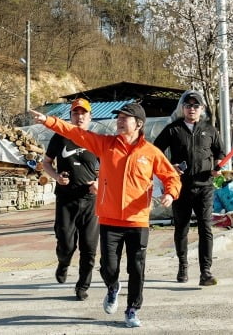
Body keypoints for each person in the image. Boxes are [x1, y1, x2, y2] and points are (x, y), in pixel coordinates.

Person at [31, 103, 181, 328]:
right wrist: (48, 120)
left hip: (137, 219)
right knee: (108, 268)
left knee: (137, 268)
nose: (119, 121)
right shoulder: (106, 145)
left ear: (138, 124)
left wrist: (171, 193)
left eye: (125, 118)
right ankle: (112, 287)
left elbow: (171, 176)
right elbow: (75, 132)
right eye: (118, 117)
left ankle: (132, 309)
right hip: (110, 219)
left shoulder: (150, 152)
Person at [153, 90, 225, 286]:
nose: (191, 109)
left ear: (201, 109)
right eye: (188, 105)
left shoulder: (210, 129)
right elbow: (154, 151)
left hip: (205, 187)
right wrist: (169, 166)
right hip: (181, 188)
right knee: (181, 229)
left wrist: (218, 167)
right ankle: (183, 266)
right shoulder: (172, 129)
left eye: (195, 106)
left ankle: (206, 271)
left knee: (206, 228)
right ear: (182, 108)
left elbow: (220, 152)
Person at [42, 98, 99, 302]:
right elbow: (46, 163)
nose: (80, 116)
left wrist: (99, 183)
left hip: (90, 201)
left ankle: (83, 285)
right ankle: (63, 262)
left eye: (83, 113)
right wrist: (56, 176)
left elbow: (109, 168)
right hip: (66, 200)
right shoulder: (60, 138)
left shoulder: (96, 139)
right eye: (76, 113)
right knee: (66, 244)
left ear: (90, 117)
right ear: (70, 116)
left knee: (89, 247)